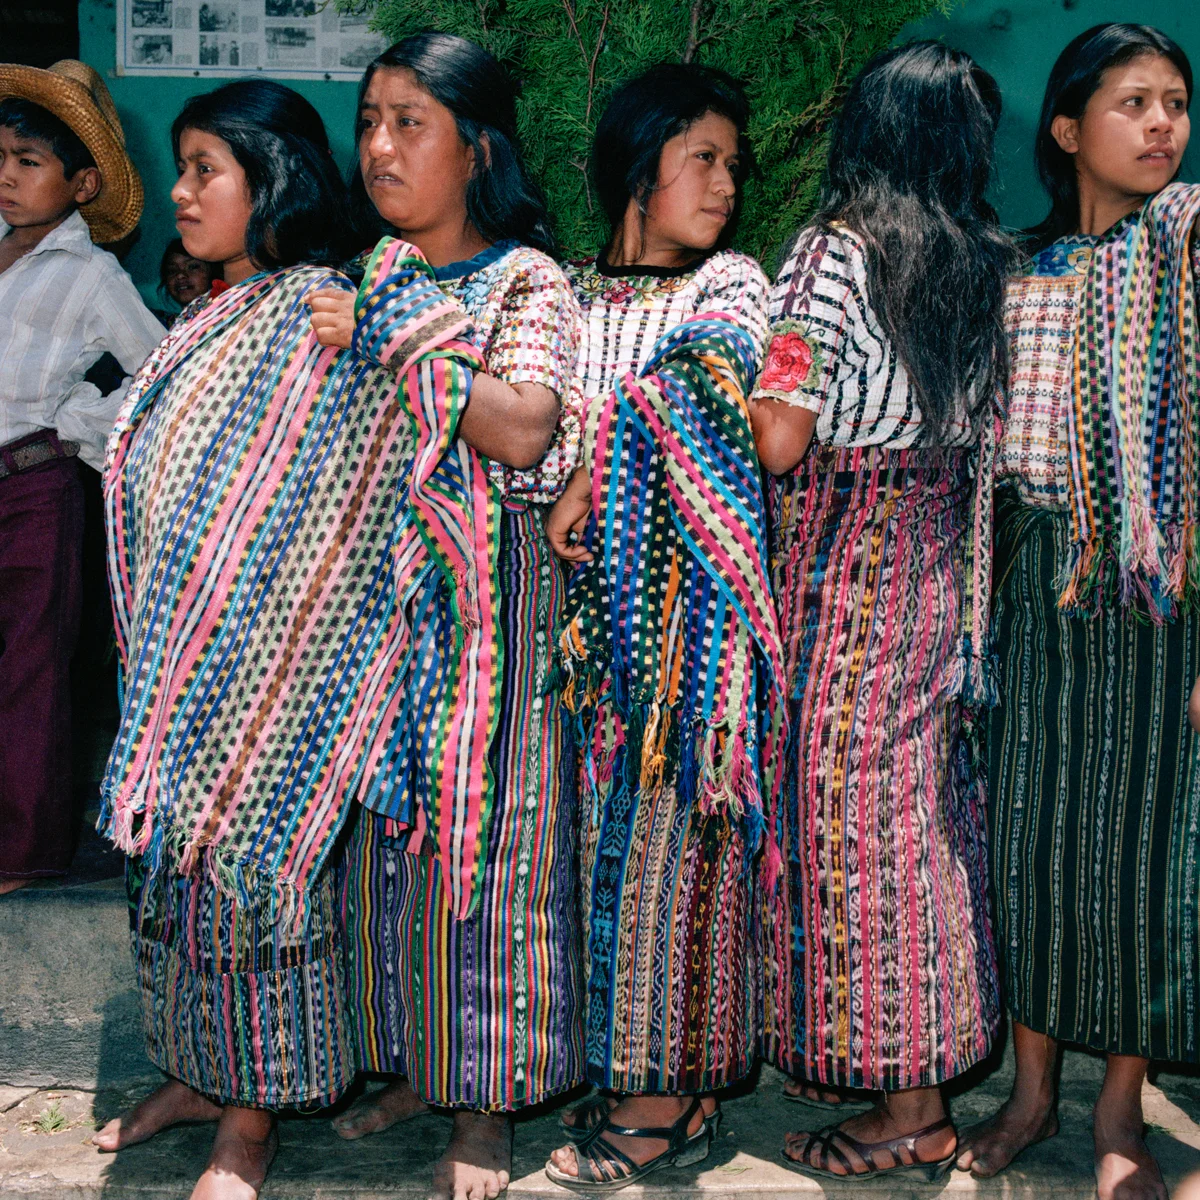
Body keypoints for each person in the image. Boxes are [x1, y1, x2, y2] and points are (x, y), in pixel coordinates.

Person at [89, 79, 501, 1200]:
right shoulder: (217, 307)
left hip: (271, 668)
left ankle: (252, 1121)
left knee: (249, 885)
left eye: (204, 169)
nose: (181, 192)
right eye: (179, 168)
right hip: (180, 661)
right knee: (165, 887)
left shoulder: (322, 306)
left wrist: (261, 642)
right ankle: (191, 1071)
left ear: (270, 177)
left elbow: (338, 487)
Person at [327, 33, 585, 1200]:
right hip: (380, 612)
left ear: (477, 149)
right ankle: (416, 1065)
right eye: (371, 120)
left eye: (410, 123)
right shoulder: (376, 271)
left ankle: (486, 1109)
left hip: (494, 612)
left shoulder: (526, 280)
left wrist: (387, 338)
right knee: (386, 851)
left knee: (490, 846)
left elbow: (525, 425)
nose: (379, 147)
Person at [751, 41, 1012, 1182]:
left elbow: (780, 435)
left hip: (844, 560)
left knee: (852, 830)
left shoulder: (829, 257)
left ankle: (909, 1106)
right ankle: (909, 1071)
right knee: (921, 827)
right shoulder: (979, 260)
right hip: (939, 566)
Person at [957, 25, 1197, 1200]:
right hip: (1031, 586)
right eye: (1134, 104)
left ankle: (1118, 1111)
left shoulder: (1193, 255)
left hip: (1161, 593)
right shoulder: (1011, 272)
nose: (1162, 125)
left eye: (1177, 103)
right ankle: (1031, 1090)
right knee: (1032, 838)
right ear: (1066, 130)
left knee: (1143, 846)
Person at [542, 63, 780, 1191]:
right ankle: (622, 1074)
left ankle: (669, 1104)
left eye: (734, 164)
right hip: (585, 646)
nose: (726, 184)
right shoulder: (573, 298)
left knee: (671, 864)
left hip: (689, 638)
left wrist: (599, 467)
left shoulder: (731, 287)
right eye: (704, 158)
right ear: (640, 165)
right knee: (596, 861)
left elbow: (708, 378)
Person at [0, 59, 164, 898]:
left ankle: (21, 853)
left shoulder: (92, 275)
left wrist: (78, 425)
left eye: (28, 162)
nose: (6, 176)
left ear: (82, 181)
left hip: (37, 489)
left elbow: (156, 369)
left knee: (29, 669)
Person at [155, 236, 218, 324]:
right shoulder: (161, 324)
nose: (180, 275)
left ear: (212, 271)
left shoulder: (224, 317)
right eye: (172, 270)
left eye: (192, 267)